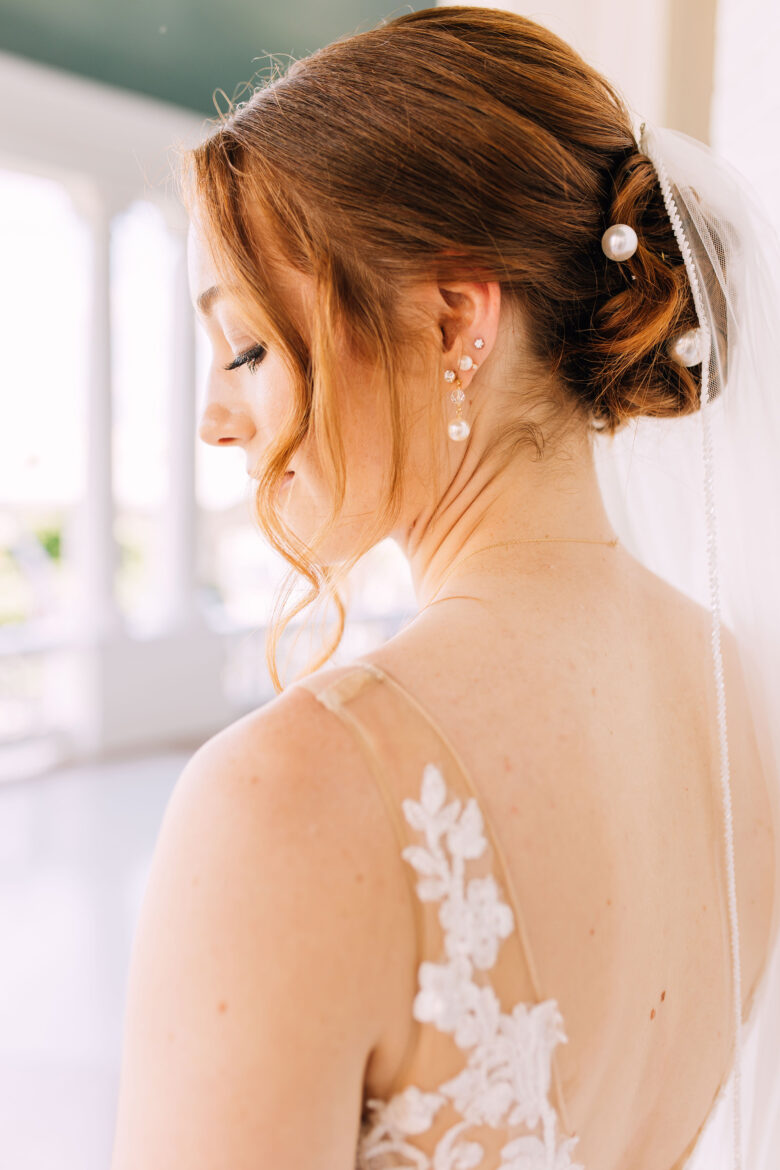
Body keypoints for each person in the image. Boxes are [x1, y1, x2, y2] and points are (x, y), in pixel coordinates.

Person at [109, 8, 780, 1170]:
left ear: (453, 321)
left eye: (250, 350)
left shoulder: (291, 795)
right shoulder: (728, 683)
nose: (219, 419)